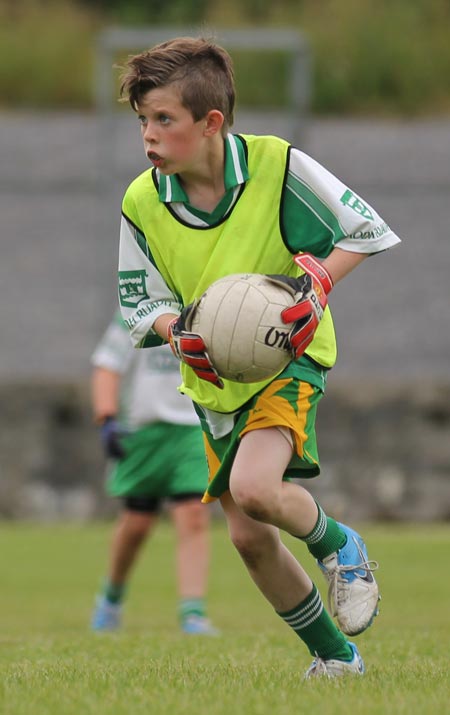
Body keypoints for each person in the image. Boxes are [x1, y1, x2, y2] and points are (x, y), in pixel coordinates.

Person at [115, 36, 401, 677]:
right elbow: (138, 301)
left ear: (211, 122)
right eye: (142, 121)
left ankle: (341, 545)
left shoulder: (277, 165)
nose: (149, 136)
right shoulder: (143, 200)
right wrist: (176, 330)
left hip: (288, 356)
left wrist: (318, 283)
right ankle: (337, 660)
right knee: (247, 536)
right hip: (216, 379)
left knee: (255, 487)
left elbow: (364, 230)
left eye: (165, 119)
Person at [90, 309, 218, 636]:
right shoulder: (136, 312)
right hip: (142, 430)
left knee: (193, 514)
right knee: (137, 522)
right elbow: (107, 364)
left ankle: (193, 613)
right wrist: (106, 418)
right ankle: (111, 599)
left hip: (192, 427)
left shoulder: (210, 306)